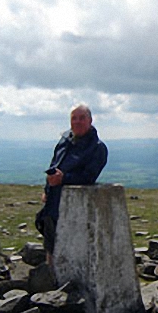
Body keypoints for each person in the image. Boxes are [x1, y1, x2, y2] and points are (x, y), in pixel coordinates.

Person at [36, 104, 108, 265]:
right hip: (53, 203)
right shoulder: (64, 141)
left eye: (82, 118)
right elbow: (54, 166)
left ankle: (69, 283)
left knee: (70, 246)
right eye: (74, 118)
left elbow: (89, 177)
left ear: (90, 120)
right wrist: (47, 189)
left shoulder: (97, 148)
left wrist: (64, 179)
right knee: (51, 244)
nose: (77, 122)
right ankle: (52, 281)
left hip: (76, 208)